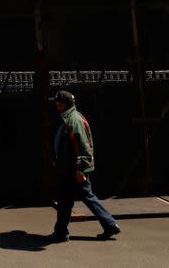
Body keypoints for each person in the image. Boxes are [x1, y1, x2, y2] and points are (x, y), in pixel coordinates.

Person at [49, 89, 120, 242]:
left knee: (75, 199)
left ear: (64, 104)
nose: (55, 105)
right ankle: (108, 225)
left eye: (57, 103)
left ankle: (108, 224)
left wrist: (81, 169)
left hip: (73, 170)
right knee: (71, 199)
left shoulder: (73, 120)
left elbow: (83, 146)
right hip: (69, 169)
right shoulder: (69, 118)